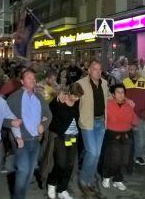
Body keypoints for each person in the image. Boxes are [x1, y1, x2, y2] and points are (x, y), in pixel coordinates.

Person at [7, 68, 53, 199]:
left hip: (35, 141)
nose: (33, 80)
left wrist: (43, 125)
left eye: (34, 78)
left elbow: (48, 114)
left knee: (29, 172)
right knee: (23, 170)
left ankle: (22, 195)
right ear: (22, 81)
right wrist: (11, 122)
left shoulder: (39, 96)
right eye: (29, 78)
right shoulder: (14, 98)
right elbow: (2, 118)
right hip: (21, 141)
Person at [76, 60, 109, 196]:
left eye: (99, 69)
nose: (98, 71)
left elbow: (109, 98)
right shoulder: (81, 84)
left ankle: (89, 181)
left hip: (101, 122)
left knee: (97, 154)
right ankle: (83, 180)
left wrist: (125, 100)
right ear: (89, 70)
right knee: (93, 152)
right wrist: (61, 96)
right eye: (95, 69)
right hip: (87, 122)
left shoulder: (105, 83)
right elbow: (72, 96)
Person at [46, 83, 83, 199]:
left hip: (73, 137)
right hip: (60, 136)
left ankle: (62, 189)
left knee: (70, 163)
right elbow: (50, 108)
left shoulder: (77, 103)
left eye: (79, 97)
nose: (77, 99)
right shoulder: (60, 101)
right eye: (75, 96)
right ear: (70, 93)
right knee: (61, 163)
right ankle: (52, 183)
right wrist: (57, 98)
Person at [101, 84, 138, 191]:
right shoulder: (108, 104)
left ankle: (118, 179)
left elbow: (134, 120)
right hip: (112, 134)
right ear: (113, 94)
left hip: (126, 134)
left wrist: (135, 122)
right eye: (118, 92)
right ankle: (106, 176)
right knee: (113, 158)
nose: (121, 94)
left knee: (124, 159)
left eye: (122, 92)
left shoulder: (129, 105)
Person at [123, 61, 145, 166]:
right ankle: (128, 156)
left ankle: (138, 156)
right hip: (127, 115)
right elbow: (121, 96)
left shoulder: (143, 82)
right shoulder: (125, 82)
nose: (131, 71)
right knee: (128, 137)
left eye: (133, 69)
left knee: (140, 138)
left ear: (137, 70)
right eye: (129, 69)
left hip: (139, 114)